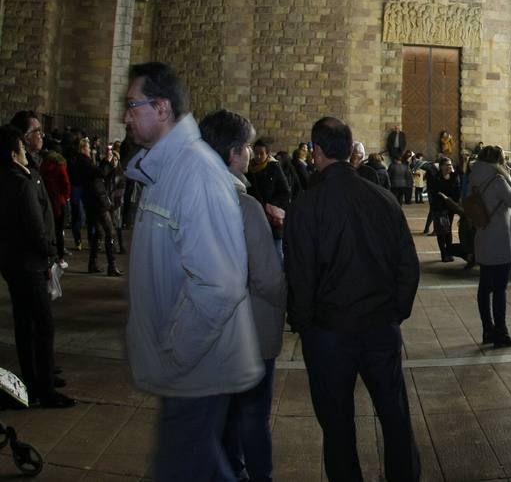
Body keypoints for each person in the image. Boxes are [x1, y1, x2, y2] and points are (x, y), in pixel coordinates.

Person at [121, 63, 262, 478]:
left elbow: (219, 283)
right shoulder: (165, 170)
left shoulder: (195, 173)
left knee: (185, 467)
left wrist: (175, 351)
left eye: (133, 105)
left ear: (161, 108)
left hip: (196, 364)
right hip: (188, 364)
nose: (126, 116)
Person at [284, 116, 421, 482]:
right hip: (380, 327)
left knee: (338, 425)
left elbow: (299, 274)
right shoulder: (384, 198)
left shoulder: (306, 204)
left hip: (329, 334)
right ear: (349, 151)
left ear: (316, 152)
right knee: (395, 416)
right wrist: (396, 312)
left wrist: (304, 323)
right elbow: (408, 264)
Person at [199, 110, 286, 482]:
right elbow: (268, 279)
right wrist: (290, 299)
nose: (252, 154)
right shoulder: (244, 207)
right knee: (251, 417)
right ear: (234, 153)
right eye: (248, 147)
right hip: (246, 334)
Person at [1, 123, 73, 409]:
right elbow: (34, 226)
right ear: (13, 153)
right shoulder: (20, 182)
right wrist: (50, 254)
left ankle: (31, 380)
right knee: (42, 324)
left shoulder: (8, 179)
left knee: (25, 322)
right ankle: (44, 389)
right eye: (21, 147)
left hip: (12, 261)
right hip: (29, 262)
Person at [468, 145, 511, 347]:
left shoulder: (474, 175)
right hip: (499, 238)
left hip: (482, 234)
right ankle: (501, 332)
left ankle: (487, 330)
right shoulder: (499, 179)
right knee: (500, 288)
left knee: (485, 287)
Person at [71, 137, 121, 275]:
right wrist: (108, 162)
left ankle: (92, 264)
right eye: (87, 148)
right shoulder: (84, 162)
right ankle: (112, 266)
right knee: (110, 232)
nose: (89, 150)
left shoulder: (80, 162)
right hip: (97, 200)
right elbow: (100, 173)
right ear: (83, 149)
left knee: (98, 233)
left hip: (91, 201)